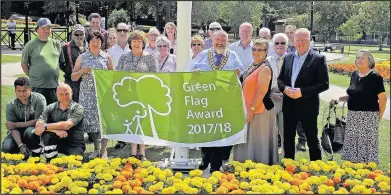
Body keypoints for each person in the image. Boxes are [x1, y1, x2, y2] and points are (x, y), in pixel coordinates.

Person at [191, 30, 244, 173]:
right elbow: (190, 70)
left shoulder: (232, 56)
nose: (220, 43)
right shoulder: (203, 55)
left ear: (227, 42)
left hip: (225, 101)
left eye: (223, 41)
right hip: (206, 101)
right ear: (212, 41)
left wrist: (238, 73)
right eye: (217, 40)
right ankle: (205, 158)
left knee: (220, 131)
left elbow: (242, 72)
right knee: (206, 131)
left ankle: (216, 163)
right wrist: (195, 74)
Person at [277, 28, 329, 161]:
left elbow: (324, 84)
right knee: (288, 138)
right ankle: (289, 166)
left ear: (309, 40)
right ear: (293, 41)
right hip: (289, 105)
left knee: (312, 139)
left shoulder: (318, 59)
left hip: (308, 106)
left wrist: (302, 92)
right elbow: (280, 79)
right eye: (297, 40)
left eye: (303, 40)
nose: (300, 43)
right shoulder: (288, 57)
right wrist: (285, 89)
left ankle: (316, 168)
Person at [233, 39, 277, 165]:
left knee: (258, 140)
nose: (256, 52)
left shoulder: (265, 68)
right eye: (254, 49)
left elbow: (261, 92)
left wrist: (251, 111)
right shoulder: (254, 64)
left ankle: (260, 167)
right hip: (248, 107)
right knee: (248, 139)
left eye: (260, 50)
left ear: (266, 52)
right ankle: (244, 165)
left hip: (259, 109)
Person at [71, 32, 114, 160]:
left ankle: (104, 150)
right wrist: (81, 71)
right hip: (87, 95)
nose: (95, 43)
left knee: (103, 122)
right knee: (91, 122)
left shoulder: (107, 58)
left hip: (103, 95)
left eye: (98, 41)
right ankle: (96, 148)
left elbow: (113, 76)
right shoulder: (82, 57)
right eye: (93, 41)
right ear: (88, 42)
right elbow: (73, 77)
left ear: (102, 42)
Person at [339, 49, 387, 164]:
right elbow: (356, 92)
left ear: (369, 61)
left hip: (368, 117)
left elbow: (383, 99)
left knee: (366, 144)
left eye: (362, 58)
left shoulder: (375, 77)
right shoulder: (355, 74)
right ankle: (353, 168)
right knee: (352, 142)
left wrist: (379, 116)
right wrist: (345, 97)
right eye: (358, 57)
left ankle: (366, 169)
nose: (359, 60)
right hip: (353, 116)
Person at [116, 30, 158, 160]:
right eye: (134, 41)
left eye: (139, 41)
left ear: (143, 43)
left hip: (144, 95)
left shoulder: (150, 57)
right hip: (128, 95)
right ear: (130, 43)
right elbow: (118, 74)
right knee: (133, 122)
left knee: (143, 124)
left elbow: (155, 76)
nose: (136, 43)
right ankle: (133, 152)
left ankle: (143, 152)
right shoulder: (124, 57)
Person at [25, 84, 85, 163]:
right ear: (57, 95)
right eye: (61, 94)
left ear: (72, 93)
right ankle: (49, 161)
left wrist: (46, 126)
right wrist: (56, 131)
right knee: (33, 132)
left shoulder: (78, 108)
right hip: (56, 140)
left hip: (74, 143)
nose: (64, 97)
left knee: (76, 164)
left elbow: (66, 125)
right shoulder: (50, 107)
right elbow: (38, 125)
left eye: (67, 94)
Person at [21, 18, 65, 105]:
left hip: (53, 86)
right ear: (37, 29)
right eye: (43, 28)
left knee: (52, 113)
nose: (46, 31)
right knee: (38, 114)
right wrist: (34, 76)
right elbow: (24, 64)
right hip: (37, 87)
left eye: (48, 28)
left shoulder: (56, 44)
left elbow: (61, 62)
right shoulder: (30, 45)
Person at [2, 77, 46, 157]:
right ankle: (22, 148)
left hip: (34, 129)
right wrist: (20, 145)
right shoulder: (10, 105)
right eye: (19, 91)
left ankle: (35, 149)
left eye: (25, 91)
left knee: (29, 131)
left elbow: (38, 121)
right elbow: (12, 128)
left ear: (30, 89)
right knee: (7, 148)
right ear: (15, 91)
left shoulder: (39, 99)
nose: (22, 94)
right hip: (17, 132)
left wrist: (15, 124)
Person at [284, 24, 307, 152]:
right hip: (285, 86)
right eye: (288, 33)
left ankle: (302, 141)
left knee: (300, 118)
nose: (289, 35)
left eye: (292, 33)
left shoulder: (302, 47)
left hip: (299, 89)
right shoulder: (281, 45)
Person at [267, 33, 288, 150]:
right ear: (273, 45)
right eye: (277, 43)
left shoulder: (293, 59)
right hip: (272, 100)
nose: (279, 45)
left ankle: (287, 157)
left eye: (283, 43)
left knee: (286, 131)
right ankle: (271, 158)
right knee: (270, 132)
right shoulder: (267, 61)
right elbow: (263, 83)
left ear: (287, 45)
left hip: (288, 100)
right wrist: (271, 93)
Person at [60, 24, 87, 103]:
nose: (79, 36)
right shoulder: (65, 47)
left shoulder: (88, 46)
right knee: (70, 104)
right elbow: (61, 64)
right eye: (76, 34)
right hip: (71, 82)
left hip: (85, 81)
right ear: (72, 35)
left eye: (81, 34)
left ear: (84, 34)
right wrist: (69, 71)